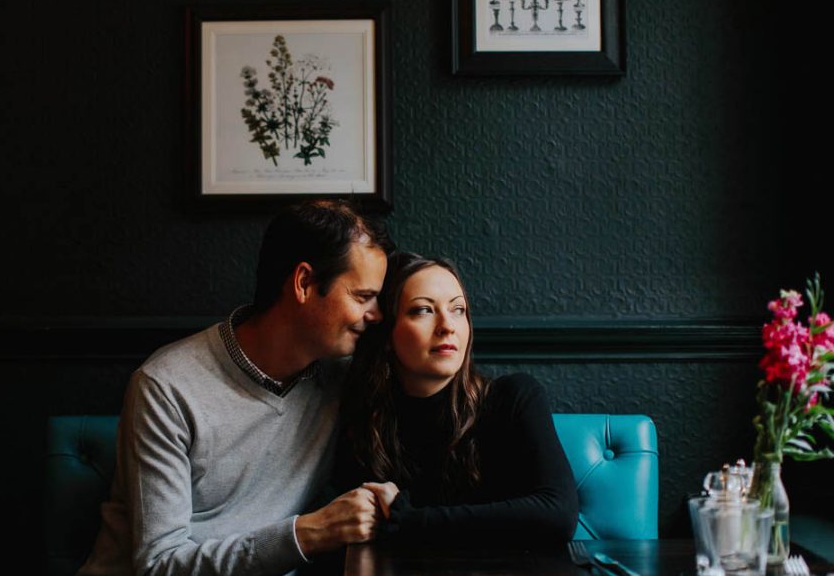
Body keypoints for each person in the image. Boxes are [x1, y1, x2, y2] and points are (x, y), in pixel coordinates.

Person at [78, 200, 394, 576]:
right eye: (362, 297)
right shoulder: (166, 387)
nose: (376, 314)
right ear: (304, 283)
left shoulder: (340, 374)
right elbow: (159, 565)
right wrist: (309, 534)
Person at [336, 252, 578, 545]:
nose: (447, 325)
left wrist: (411, 520)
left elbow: (559, 515)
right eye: (423, 310)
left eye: (458, 310)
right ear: (387, 334)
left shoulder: (514, 397)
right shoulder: (364, 419)